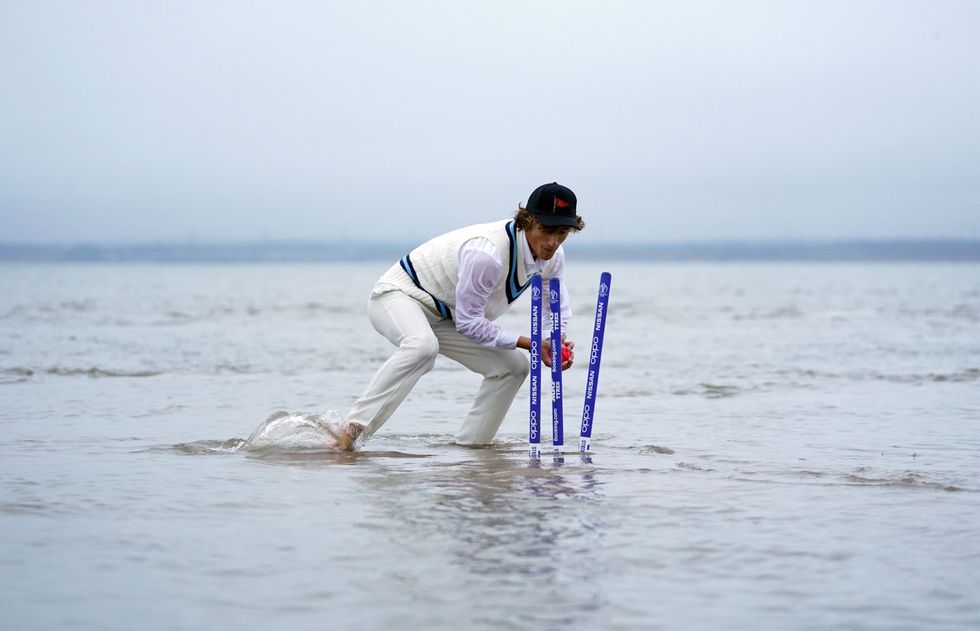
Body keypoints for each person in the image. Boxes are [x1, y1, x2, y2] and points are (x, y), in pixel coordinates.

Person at [333, 182, 586, 451]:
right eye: (545, 230)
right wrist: (533, 344)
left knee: (513, 368)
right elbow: (470, 324)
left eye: (561, 232)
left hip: (449, 315)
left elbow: (553, 306)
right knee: (422, 347)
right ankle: (350, 434)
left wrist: (553, 341)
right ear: (527, 221)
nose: (552, 242)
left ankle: (472, 450)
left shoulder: (554, 257)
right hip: (399, 296)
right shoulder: (486, 254)